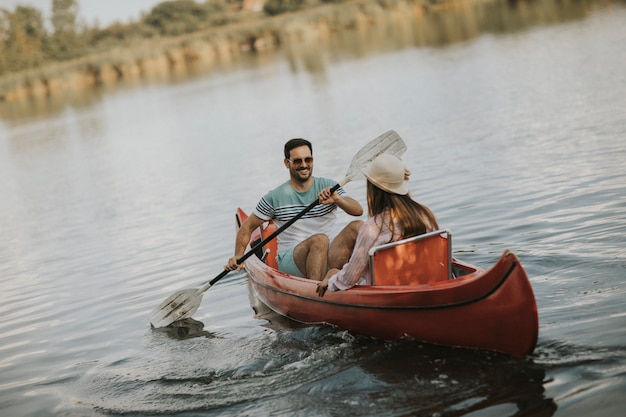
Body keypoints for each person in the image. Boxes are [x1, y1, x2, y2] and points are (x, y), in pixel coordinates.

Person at [225, 138, 363, 281]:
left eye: (307, 160)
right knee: (319, 240)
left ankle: (360, 277)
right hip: (292, 259)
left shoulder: (329, 186)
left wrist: (337, 199)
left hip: (329, 252)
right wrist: (238, 255)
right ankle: (315, 294)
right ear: (287, 163)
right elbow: (247, 227)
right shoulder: (274, 197)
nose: (304, 165)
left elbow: (358, 210)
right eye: (297, 161)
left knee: (357, 226)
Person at [316, 153, 439, 297]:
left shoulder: (373, 228)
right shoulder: (425, 214)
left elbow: (349, 278)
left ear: (373, 190)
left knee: (333, 273)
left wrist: (331, 280)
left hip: (386, 294)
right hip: (422, 285)